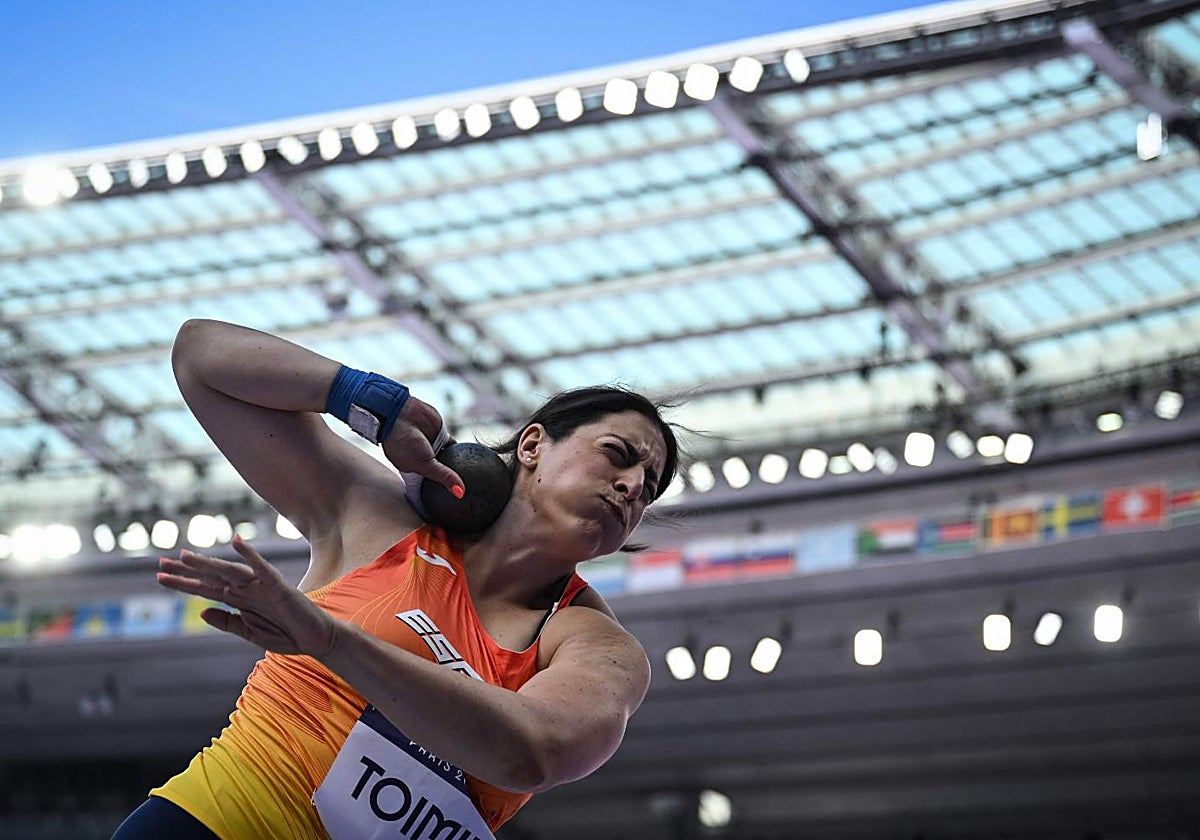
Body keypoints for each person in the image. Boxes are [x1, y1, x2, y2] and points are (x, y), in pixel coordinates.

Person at [110, 318, 680, 840]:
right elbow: (200, 358)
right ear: (532, 445)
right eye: (617, 454)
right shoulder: (380, 523)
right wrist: (369, 400)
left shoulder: (596, 645)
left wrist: (333, 641)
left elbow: (535, 751)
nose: (633, 486)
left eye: (649, 484)